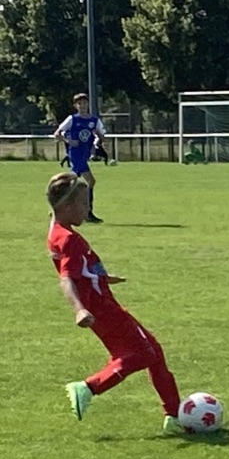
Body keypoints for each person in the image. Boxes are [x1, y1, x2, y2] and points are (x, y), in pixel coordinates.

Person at [46, 172, 182, 434]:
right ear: (67, 206)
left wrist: (103, 277)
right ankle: (89, 387)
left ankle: (174, 415)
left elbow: (79, 271)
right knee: (144, 354)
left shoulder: (57, 230)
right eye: (84, 204)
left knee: (152, 351)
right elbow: (66, 278)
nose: (87, 209)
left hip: (100, 304)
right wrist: (79, 309)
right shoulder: (69, 239)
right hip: (101, 308)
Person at [54, 93, 106, 223]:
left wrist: (98, 138)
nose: (82, 106)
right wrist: (69, 141)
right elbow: (57, 134)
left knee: (70, 184)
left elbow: (102, 137)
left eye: (84, 103)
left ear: (88, 104)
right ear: (75, 106)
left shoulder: (94, 121)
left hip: (84, 154)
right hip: (76, 155)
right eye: (79, 103)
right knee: (90, 181)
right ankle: (88, 213)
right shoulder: (72, 119)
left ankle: (58, 209)